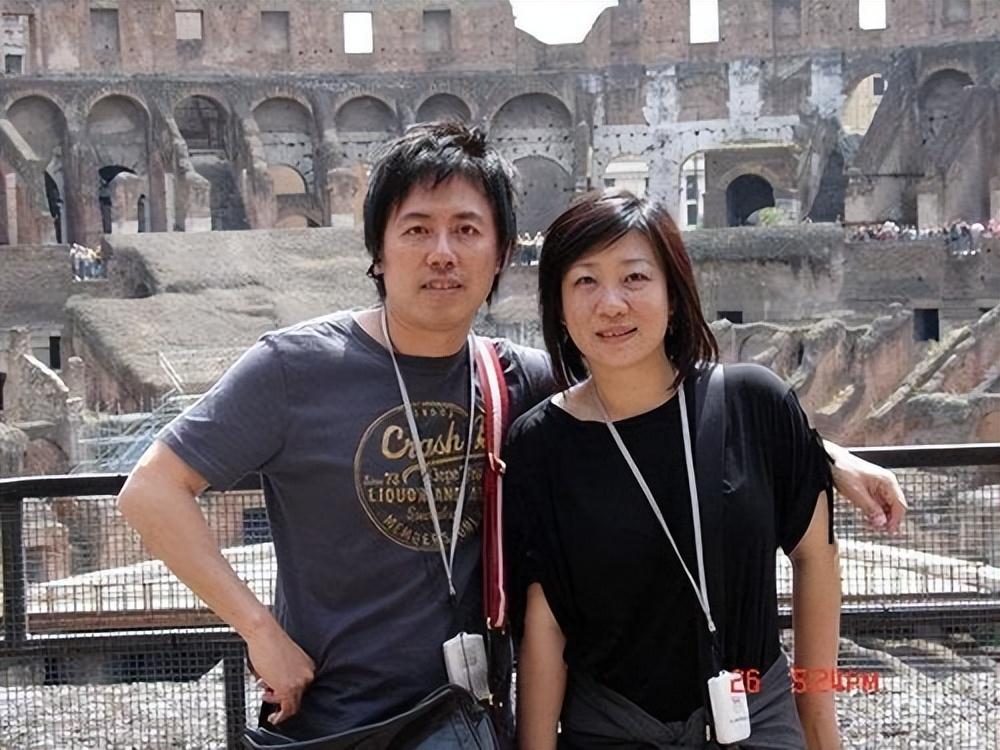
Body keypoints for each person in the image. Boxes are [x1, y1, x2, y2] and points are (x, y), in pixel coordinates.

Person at [117, 122, 904, 740]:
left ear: (499, 256)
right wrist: (259, 631)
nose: (443, 253)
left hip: (471, 721)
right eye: (417, 229)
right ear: (377, 250)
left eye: (468, 229)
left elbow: (654, 400)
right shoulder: (294, 368)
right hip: (338, 719)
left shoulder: (515, 378)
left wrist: (817, 453)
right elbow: (151, 492)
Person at [505, 191, 841, 749]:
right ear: (558, 306)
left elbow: (817, 559)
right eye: (585, 281)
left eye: (634, 278)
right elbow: (546, 624)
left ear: (673, 291)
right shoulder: (539, 443)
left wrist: (818, 717)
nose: (611, 303)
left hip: (755, 726)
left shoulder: (755, 401)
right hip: (613, 734)